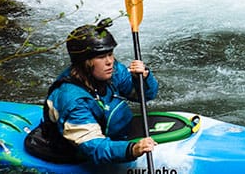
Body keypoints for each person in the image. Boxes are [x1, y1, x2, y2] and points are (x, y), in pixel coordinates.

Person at [25, 19, 159, 165]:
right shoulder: (71, 99)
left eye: (110, 54)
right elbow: (94, 148)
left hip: (111, 135)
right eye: (101, 57)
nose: (109, 61)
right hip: (73, 152)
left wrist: (142, 79)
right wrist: (133, 149)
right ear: (84, 62)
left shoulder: (112, 71)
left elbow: (145, 96)